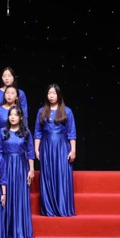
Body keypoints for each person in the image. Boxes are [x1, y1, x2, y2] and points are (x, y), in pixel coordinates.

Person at [34, 84, 77, 217]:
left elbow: (71, 132)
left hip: (62, 147)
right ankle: (49, 208)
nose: (51, 96)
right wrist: (36, 149)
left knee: (61, 175)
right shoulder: (41, 111)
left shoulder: (67, 111)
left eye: (54, 93)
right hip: (46, 147)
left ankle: (62, 207)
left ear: (59, 95)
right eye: (49, 93)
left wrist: (73, 150)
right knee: (47, 175)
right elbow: (37, 132)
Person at [0, 106, 35, 238]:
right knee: (6, 195)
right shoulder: (2, 132)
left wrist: (31, 169)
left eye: (15, 115)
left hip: (20, 167)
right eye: (10, 114)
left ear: (21, 117)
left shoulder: (26, 132)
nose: (12, 117)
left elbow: (30, 152)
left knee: (19, 196)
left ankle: (19, 228)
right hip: (6, 165)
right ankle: (5, 229)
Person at [0, 67, 28, 132]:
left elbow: (24, 114)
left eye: (9, 76)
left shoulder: (20, 93)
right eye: (4, 76)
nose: (7, 78)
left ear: (14, 77)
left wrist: (25, 130)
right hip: (0, 125)